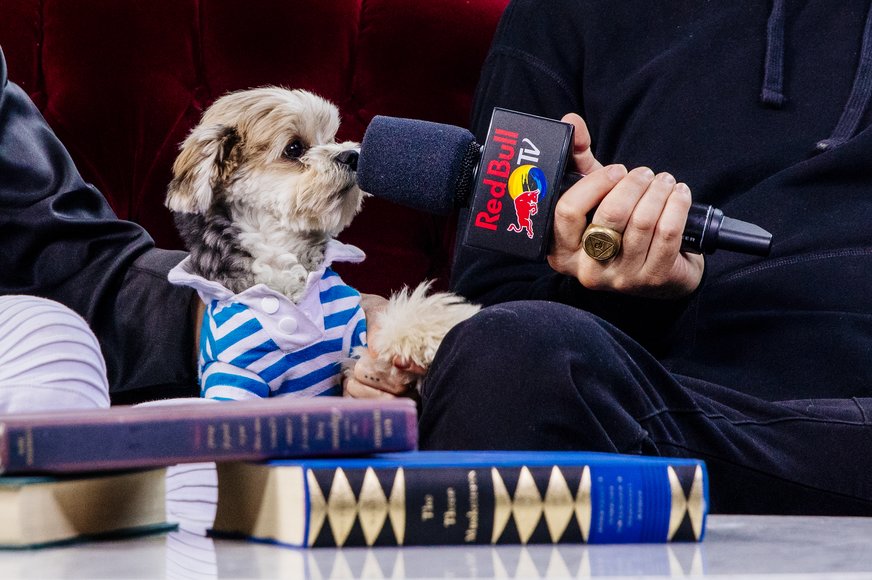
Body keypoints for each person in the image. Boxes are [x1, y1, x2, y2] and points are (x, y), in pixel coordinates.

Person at [347, 0, 872, 515]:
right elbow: (493, 304)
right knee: (508, 355)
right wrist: (628, 286)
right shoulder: (558, 15)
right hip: (673, 412)